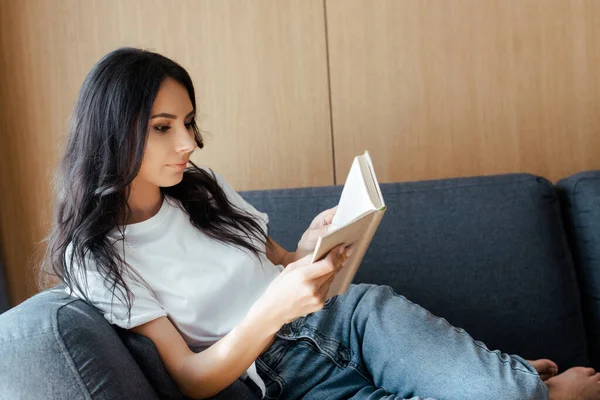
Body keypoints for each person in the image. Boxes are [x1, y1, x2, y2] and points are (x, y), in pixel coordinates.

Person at [42, 47, 600, 400]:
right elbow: (190, 379)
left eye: (188, 122)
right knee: (508, 396)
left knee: (496, 391)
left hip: (350, 318)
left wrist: (309, 247)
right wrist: (275, 309)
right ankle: (510, 384)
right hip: (284, 373)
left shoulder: (200, 187)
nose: (188, 142)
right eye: (163, 126)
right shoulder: (94, 255)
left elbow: (280, 263)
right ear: (113, 129)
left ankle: (492, 380)